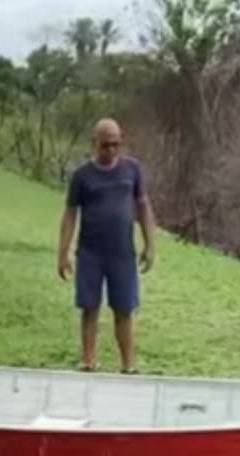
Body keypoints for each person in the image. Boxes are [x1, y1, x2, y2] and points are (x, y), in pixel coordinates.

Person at [57, 118, 157, 374]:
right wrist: (63, 252)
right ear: (95, 143)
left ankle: (128, 365)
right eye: (105, 145)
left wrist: (150, 244)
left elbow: (143, 206)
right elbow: (70, 214)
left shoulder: (132, 169)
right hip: (90, 252)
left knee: (124, 309)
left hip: (122, 252)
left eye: (116, 145)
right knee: (89, 307)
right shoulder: (81, 176)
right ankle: (89, 361)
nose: (111, 150)